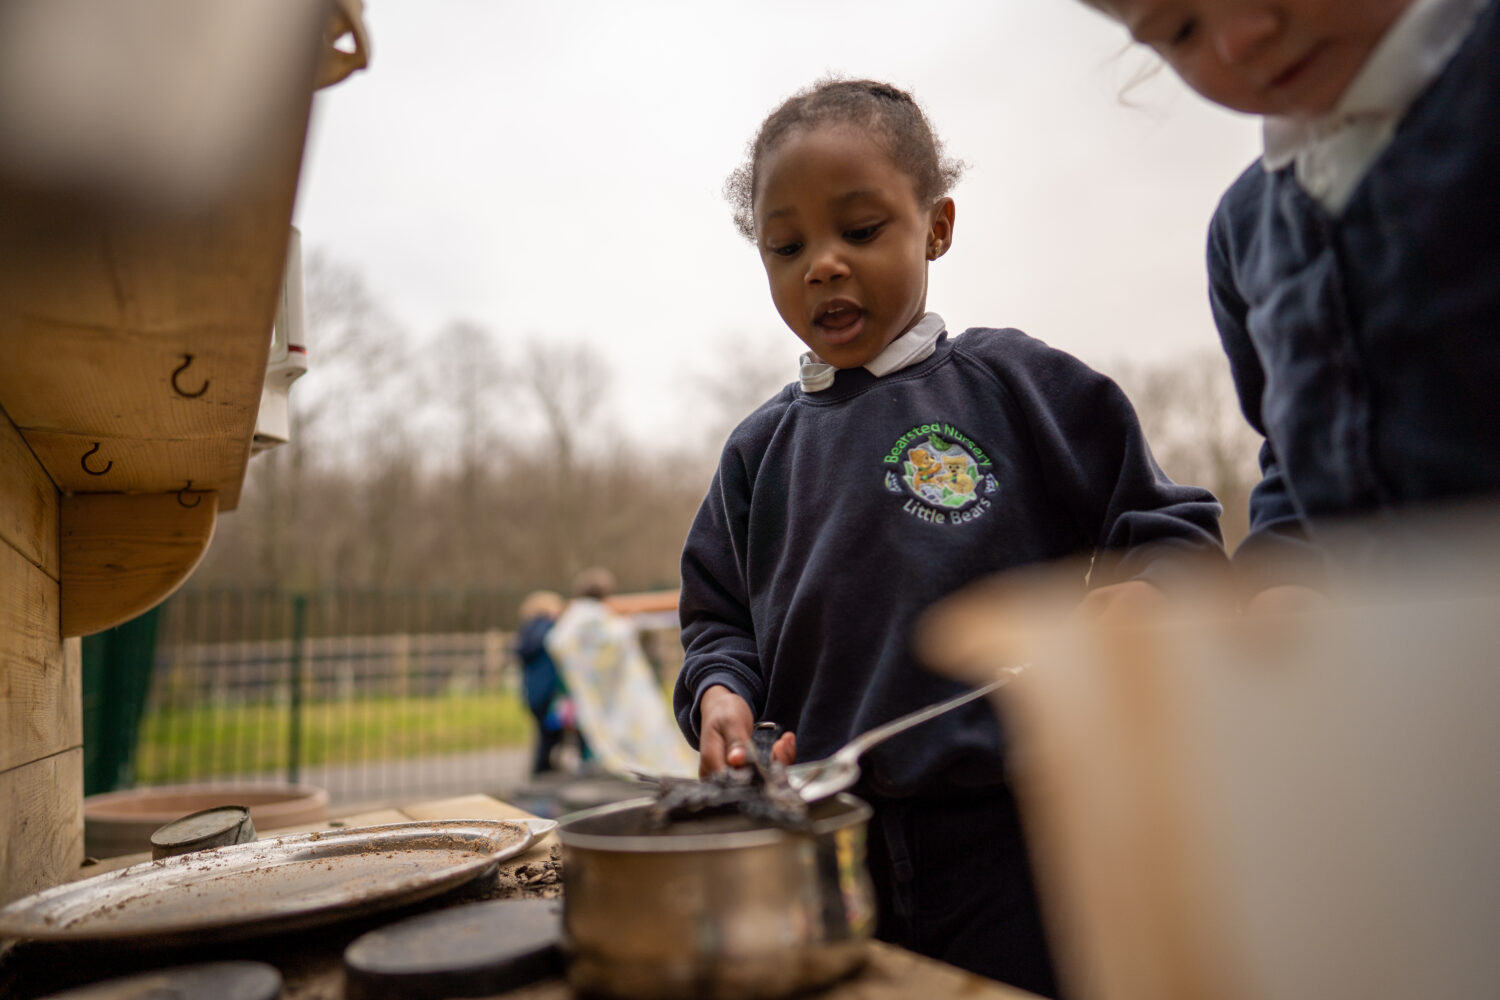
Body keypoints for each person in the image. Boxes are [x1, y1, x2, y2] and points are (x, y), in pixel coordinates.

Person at [672, 78, 1227, 997]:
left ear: (935, 227)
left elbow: (1167, 525)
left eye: (859, 230)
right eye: (787, 245)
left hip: (1022, 833)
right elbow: (716, 619)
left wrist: (1141, 593)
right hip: (821, 847)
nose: (822, 265)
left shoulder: (1019, 386)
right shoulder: (756, 451)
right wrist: (721, 693)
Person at [1080, 0, 1500, 604]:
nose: (1240, 40)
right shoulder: (1243, 230)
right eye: (1180, 31)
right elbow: (1304, 459)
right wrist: (1281, 577)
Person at [546, 567, 697, 778]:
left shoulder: (572, 619)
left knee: (597, 736)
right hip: (621, 691)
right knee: (638, 729)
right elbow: (618, 638)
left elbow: (558, 642)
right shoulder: (599, 619)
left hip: (592, 694)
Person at [515, 590, 568, 776]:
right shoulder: (549, 628)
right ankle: (542, 772)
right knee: (552, 734)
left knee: (547, 733)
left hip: (533, 693)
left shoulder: (527, 630)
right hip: (549, 692)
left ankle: (544, 769)